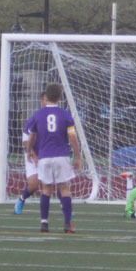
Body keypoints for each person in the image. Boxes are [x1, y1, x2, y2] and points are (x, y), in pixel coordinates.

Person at [27, 83, 82, 233]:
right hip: (61, 156)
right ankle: (67, 223)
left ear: (46, 96)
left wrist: (29, 150)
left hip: (44, 157)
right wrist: (77, 156)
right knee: (64, 188)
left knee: (46, 189)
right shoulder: (65, 115)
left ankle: (44, 222)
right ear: (59, 97)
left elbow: (32, 136)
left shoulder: (38, 114)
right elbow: (72, 137)